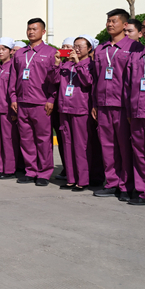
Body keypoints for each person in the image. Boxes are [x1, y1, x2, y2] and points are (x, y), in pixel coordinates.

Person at [91, 9, 141, 199]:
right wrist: (95, 103)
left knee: (125, 147)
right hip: (103, 105)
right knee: (107, 146)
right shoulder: (101, 49)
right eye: (108, 21)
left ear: (125, 24)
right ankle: (111, 182)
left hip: (123, 105)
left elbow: (136, 78)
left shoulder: (135, 48)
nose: (110, 24)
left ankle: (126, 185)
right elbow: (96, 79)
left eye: (114, 21)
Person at [10, 18, 58, 186]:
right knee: (26, 139)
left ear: (43, 32)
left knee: (43, 140)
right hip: (22, 102)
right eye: (29, 29)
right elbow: (13, 77)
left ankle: (44, 173)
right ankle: (31, 171)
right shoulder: (20, 53)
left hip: (41, 103)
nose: (31, 32)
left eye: (34, 29)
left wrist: (51, 99)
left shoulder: (51, 52)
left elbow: (55, 79)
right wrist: (13, 97)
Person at [53, 37, 93, 191]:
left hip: (80, 109)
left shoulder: (90, 64)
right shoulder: (66, 65)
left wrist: (78, 63)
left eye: (80, 46)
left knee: (80, 145)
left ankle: (82, 180)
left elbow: (87, 82)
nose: (76, 49)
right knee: (67, 144)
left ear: (89, 49)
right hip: (65, 108)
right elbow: (54, 80)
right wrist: (57, 64)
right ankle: (71, 178)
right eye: (75, 46)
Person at [124, 39, 145, 205]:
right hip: (137, 111)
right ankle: (143, 191)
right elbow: (127, 85)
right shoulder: (136, 56)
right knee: (140, 154)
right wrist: (129, 109)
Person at [0, 38, 18, 179]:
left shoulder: (13, 67)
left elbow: (15, 89)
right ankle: (2, 168)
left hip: (7, 108)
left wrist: (14, 110)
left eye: (3, 49)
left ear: (11, 51)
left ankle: (10, 169)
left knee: (8, 140)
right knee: (0, 139)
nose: (0, 52)